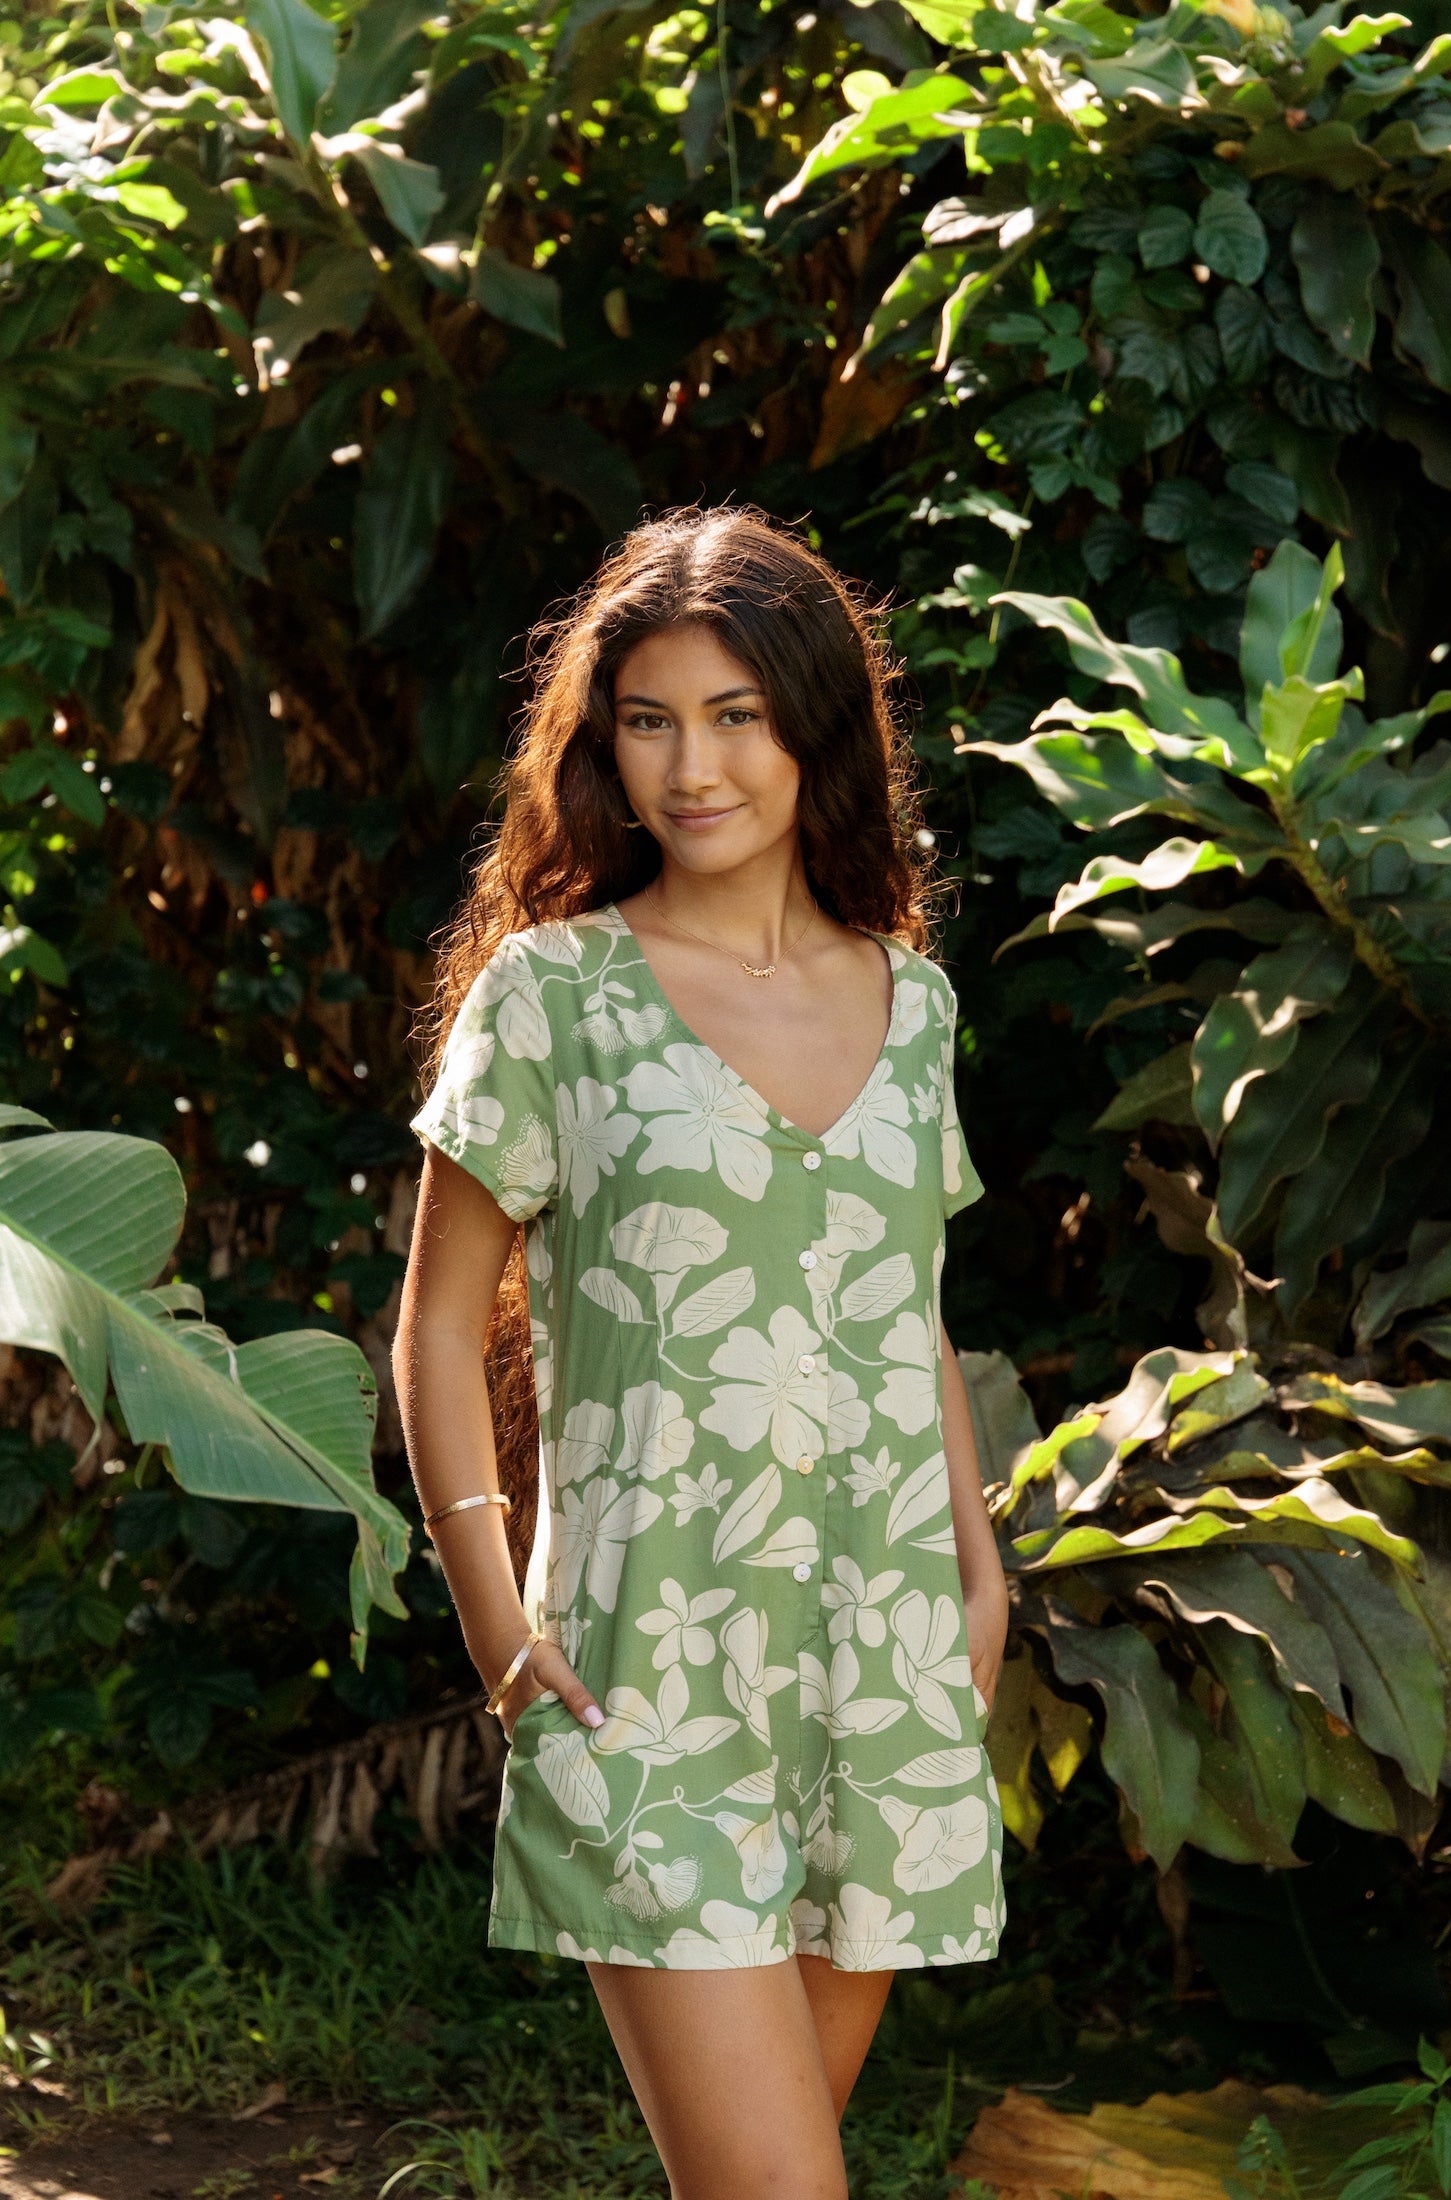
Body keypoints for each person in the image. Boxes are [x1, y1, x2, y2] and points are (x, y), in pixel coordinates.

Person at [392, 506, 1008, 2200]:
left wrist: (980, 1569)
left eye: (737, 715)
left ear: (816, 726)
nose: (692, 766)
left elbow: (914, 1309)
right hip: (645, 1670)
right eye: (648, 720)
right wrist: (494, 1614)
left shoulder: (915, 1002)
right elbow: (440, 1322)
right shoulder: (554, 997)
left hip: (884, 1667)